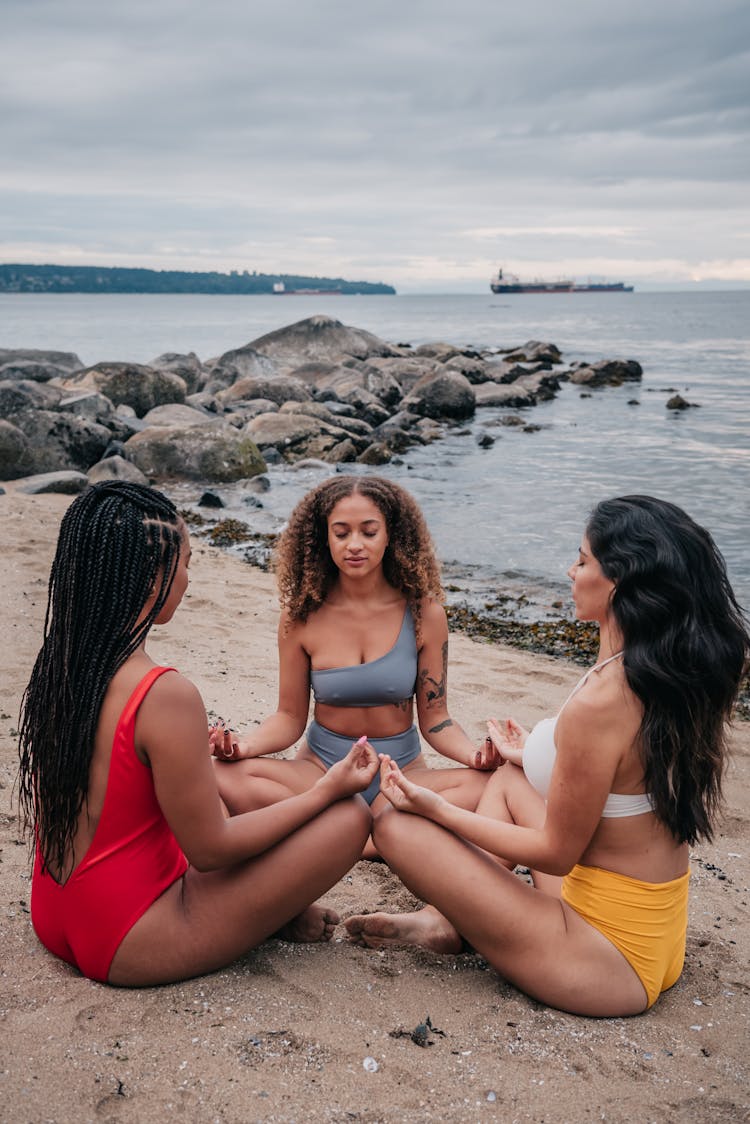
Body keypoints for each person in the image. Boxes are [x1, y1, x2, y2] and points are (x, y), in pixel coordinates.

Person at [345, 496, 749, 1017]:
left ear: (620, 582)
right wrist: (530, 753)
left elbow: (557, 853)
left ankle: (452, 918)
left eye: (582, 561)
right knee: (510, 781)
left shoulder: (606, 698)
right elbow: (620, 767)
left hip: (607, 962)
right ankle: (444, 923)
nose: (569, 570)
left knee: (394, 823)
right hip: (652, 926)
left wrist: (438, 810)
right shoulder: (670, 665)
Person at [17, 481, 379, 986]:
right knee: (348, 818)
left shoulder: (61, 664)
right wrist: (326, 790)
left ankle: (273, 914)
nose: (188, 579)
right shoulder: (163, 693)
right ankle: (270, 914)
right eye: (187, 562)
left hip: (53, 912)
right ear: (154, 578)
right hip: (131, 937)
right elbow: (212, 850)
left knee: (210, 791)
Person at [211, 475, 496, 839]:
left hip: (399, 775)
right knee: (216, 774)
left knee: (500, 785)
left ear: (391, 534)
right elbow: (288, 717)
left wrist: (474, 755)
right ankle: (370, 833)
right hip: (319, 772)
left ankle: (345, 831)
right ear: (323, 538)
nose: (355, 545)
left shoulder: (426, 614)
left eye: (369, 532)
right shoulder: (299, 616)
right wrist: (244, 746)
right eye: (342, 533)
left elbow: (436, 718)